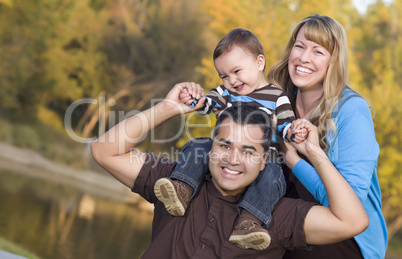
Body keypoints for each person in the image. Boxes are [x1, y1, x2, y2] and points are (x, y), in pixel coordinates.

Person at [90, 87, 369, 258]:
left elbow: (352, 221)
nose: (233, 159)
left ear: (264, 161)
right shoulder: (174, 183)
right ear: (210, 147)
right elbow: (104, 151)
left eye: (248, 151)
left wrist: (314, 153)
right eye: (225, 145)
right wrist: (167, 108)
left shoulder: (277, 216)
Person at [153, 28, 306, 250]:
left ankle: (249, 222)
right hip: (224, 156)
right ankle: (182, 188)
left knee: (273, 174)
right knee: (199, 145)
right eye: (224, 76)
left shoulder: (277, 97)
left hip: (261, 162)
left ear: (259, 62)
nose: (231, 80)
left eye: (236, 71)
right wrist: (193, 98)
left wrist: (295, 131)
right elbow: (206, 104)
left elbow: (285, 128)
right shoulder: (225, 94)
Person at [266, 14, 388, 258]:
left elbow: (346, 205)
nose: (303, 57)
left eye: (317, 51)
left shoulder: (351, 111)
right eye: (299, 46)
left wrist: (296, 161)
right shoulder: (278, 102)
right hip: (286, 219)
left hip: (344, 235)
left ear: (334, 61)